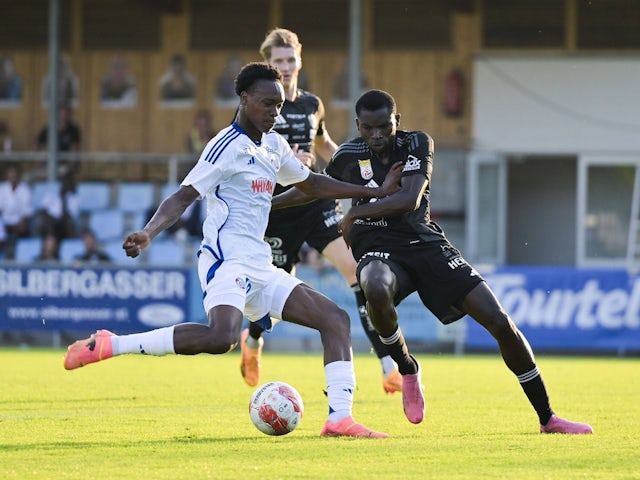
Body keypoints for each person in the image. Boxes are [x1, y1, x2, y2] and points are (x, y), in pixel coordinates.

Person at [63, 62, 403, 438]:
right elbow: (183, 196)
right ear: (244, 99)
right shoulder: (224, 146)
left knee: (335, 318)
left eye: (278, 105)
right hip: (225, 260)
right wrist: (148, 232)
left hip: (258, 262)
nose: (275, 112)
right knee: (221, 338)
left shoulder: (273, 145)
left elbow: (312, 185)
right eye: (266, 104)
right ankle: (113, 344)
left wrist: (374, 193)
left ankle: (339, 418)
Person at [272, 89, 594, 434]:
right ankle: (406, 368)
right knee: (374, 286)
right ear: (358, 125)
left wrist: (355, 214)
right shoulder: (349, 155)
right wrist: (268, 204)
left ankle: (548, 418)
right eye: (369, 129)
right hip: (377, 245)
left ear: (397, 120)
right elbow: (313, 187)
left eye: (384, 127)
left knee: (499, 321)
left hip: (424, 243)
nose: (377, 136)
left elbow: (409, 199)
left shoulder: (417, 143)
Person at [238, 28, 403, 395]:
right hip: (278, 209)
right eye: (277, 61)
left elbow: (324, 143)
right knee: (273, 302)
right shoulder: (257, 109)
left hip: (315, 203)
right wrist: (284, 162)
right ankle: (251, 342)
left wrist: (359, 168)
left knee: (356, 271)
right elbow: (245, 155)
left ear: (299, 61)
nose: (284, 67)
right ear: (267, 64)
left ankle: (388, 364)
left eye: (290, 59)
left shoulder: (312, 104)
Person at [36, 103, 81, 177]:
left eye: (66, 113)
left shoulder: (73, 130)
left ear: (69, 115)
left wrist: (70, 167)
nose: (63, 116)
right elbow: (38, 145)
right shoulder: (49, 128)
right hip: (48, 164)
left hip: (65, 165)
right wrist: (39, 163)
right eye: (61, 113)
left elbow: (74, 149)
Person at [34, 169, 79, 241]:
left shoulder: (74, 199)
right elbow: (43, 210)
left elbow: (71, 217)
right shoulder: (51, 194)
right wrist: (51, 218)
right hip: (50, 222)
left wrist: (64, 199)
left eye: (70, 181)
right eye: (65, 180)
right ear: (62, 182)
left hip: (64, 225)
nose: (67, 183)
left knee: (65, 224)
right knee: (47, 222)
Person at [0, 163, 33, 259]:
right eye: (10, 173)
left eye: (15, 173)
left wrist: (17, 225)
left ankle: (11, 258)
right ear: (6, 175)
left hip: (19, 223)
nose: (13, 175)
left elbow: (27, 214)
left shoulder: (25, 190)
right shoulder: (1, 189)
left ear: (19, 175)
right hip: (4, 223)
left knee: (21, 228)